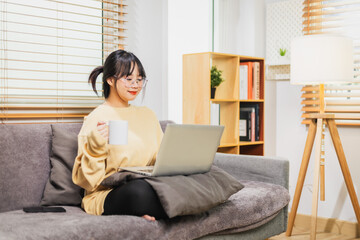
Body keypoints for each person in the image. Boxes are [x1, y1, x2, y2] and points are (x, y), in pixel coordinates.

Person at [72, 50, 168, 221]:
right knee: (139, 192)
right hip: (108, 193)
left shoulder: (147, 115)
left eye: (139, 80)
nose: (136, 85)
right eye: (129, 79)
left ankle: (148, 210)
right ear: (110, 80)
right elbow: (87, 182)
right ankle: (165, 209)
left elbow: (160, 157)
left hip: (148, 181)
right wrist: (96, 146)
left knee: (200, 180)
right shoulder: (97, 118)